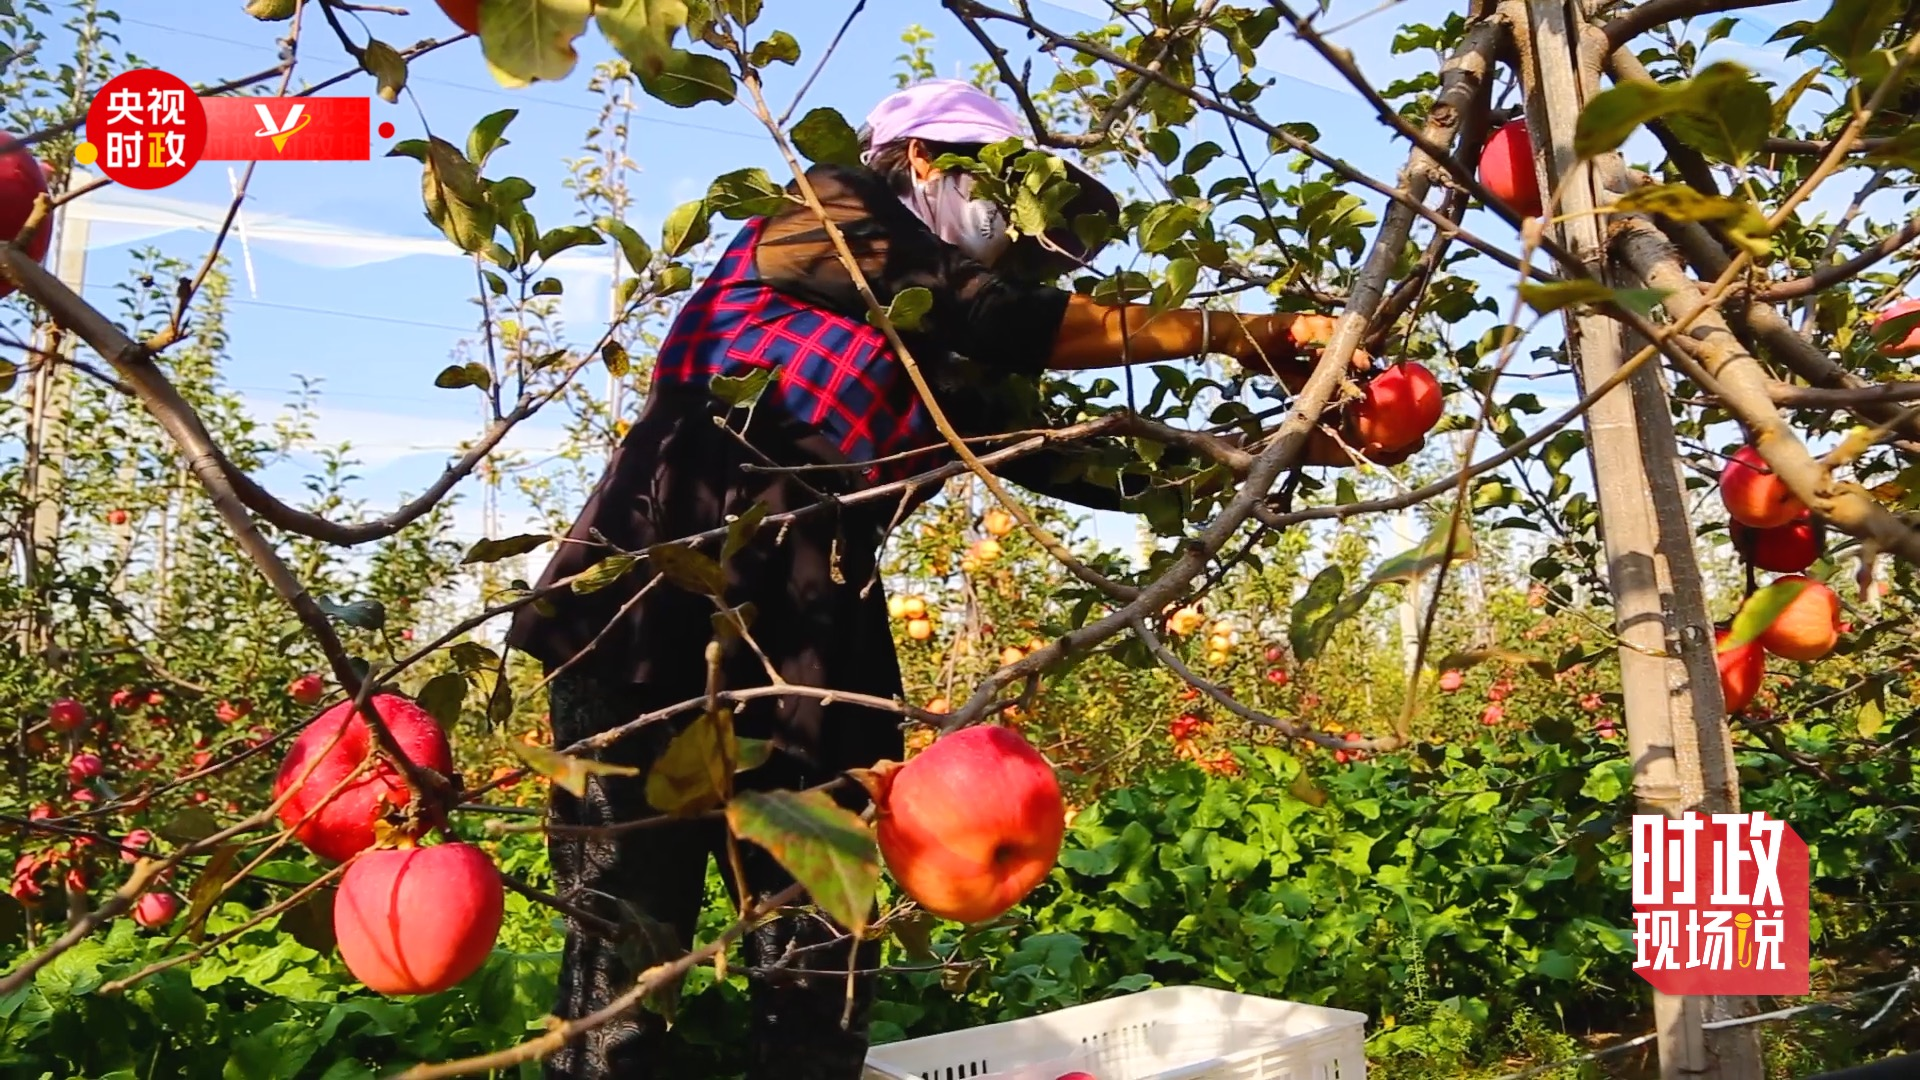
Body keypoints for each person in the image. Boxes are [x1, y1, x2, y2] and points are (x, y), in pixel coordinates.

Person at [505, 79, 1396, 1080]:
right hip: (664, 578)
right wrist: (1243, 330)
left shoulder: (946, 364)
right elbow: (1002, 316)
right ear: (922, 157)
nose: (1012, 225)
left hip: (819, 619)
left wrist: (1290, 447)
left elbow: (1087, 460)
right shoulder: (826, 210)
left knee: (820, 950)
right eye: (996, 186)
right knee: (626, 945)